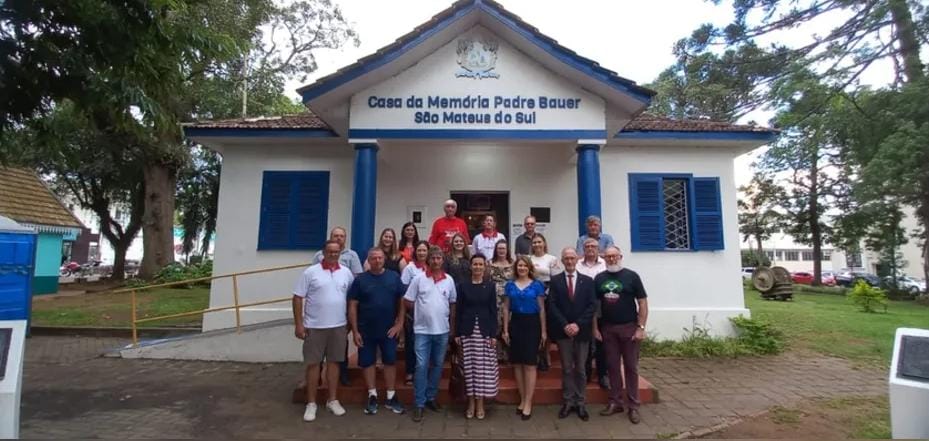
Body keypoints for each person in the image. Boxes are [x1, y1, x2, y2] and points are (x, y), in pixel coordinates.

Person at [293, 240, 355, 422]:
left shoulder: (346, 273)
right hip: (315, 327)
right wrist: (299, 324)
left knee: (334, 363)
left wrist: (350, 324)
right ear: (323, 252)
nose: (333, 255)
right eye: (330, 251)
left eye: (337, 252)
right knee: (313, 364)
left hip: (338, 326)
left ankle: (332, 400)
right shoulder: (310, 272)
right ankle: (311, 403)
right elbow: (297, 298)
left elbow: (352, 299)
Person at [402, 246, 457, 422]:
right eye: (432, 258)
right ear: (428, 260)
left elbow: (452, 304)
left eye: (439, 258)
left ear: (443, 260)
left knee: (438, 365)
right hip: (422, 331)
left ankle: (431, 398)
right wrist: (422, 313)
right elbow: (408, 301)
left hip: (442, 330)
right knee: (421, 365)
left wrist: (452, 327)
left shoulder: (449, 280)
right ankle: (419, 403)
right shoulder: (418, 279)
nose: (435, 261)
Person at [348, 248, 406, 416]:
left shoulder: (393, 277)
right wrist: (355, 330)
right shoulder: (360, 280)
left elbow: (402, 299)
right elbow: (352, 305)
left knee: (389, 361)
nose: (377, 261)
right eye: (374, 258)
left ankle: (390, 395)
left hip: (388, 329)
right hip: (365, 329)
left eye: (380, 258)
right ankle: (372, 394)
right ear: (368, 260)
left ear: (384, 259)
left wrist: (400, 323)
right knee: (367, 362)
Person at [596, 246, 648, 424]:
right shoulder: (600, 278)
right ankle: (615, 402)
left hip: (629, 328)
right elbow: (595, 305)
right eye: (608, 256)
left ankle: (633, 405)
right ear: (604, 258)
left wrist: (640, 327)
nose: (611, 259)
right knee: (612, 367)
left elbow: (642, 303)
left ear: (620, 257)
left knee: (631, 367)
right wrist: (595, 328)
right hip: (608, 328)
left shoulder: (632, 276)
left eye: (614, 256)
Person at [547, 248, 597, 421]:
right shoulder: (555, 281)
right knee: (567, 369)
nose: (569, 261)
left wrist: (578, 324)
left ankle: (581, 402)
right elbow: (552, 305)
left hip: (582, 332)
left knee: (581, 369)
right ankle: (568, 401)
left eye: (572, 258)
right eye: (566, 259)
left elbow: (592, 306)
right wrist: (565, 325)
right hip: (563, 332)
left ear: (577, 260)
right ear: (562, 260)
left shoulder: (588, 281)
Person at [311, 226, 363, 387]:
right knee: (318, 347)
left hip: (343, 304)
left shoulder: (351, 255)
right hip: (321, 309)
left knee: (341, 343)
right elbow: (314, 275)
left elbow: (356, 279)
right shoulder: (319, 256)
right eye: (336, 235)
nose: (339, 238)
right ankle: (317, 374)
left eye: (341, 236)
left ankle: (343, 373)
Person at [454, 254, 499, 420]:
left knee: (481, 370)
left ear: (484, 267)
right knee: (469, 369)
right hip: (467, 333)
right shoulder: (463, 286)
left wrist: (494, 334)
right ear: (471, 267)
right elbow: (458, 311)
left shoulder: (490, 286)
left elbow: (494, 311)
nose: (478, 267)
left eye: (481, 264)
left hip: (484, 333)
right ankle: (470, 402)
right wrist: (457, 332)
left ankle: (480, 403)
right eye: (475, 264)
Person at [501, 256, 547, 420]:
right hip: (516, 324)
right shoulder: (510, 285)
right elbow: (506, 308)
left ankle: (528, 402)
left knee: (529, 364)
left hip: (532, 324)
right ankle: (522, 399)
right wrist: (505, 330)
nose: (521, 268)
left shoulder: (537, 285)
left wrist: (543, 331)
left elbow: (542, 309)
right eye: (519, 265)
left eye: (524, 266)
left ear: (529, 268)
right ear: (516, 268)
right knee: (518, 364)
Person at [576, 238, 608, 390]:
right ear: (583, 248)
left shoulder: (605, 264)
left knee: (602, 343)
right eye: (587, 246)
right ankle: (586, 372)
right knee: (585, 343)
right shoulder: (577, 265)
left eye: (593, 246)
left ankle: (603, 374)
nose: (590, 248)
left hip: (603, 308)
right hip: (582, 310)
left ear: (598, 248)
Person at [400, 241, 430, 385]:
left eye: (424, 250)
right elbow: (404, 291)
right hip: (413, 312)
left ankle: (424, 371)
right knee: (412, 343)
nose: (422, 253)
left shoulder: (433, 267)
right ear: (415, 252)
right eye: (419, 250)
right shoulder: (409, 268)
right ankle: (410, 372)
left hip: (429, 312)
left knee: (427, 343)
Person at [488, 239, 513, 360]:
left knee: (508, 324)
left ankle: (508, 354)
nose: (501, 250)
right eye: (499, 248)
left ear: (507, 250)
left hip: (509, 298)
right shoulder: (489, 264)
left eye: (503, 248)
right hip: (494, 298)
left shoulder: (513, 263)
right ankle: (497, 354)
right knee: (496, 324)